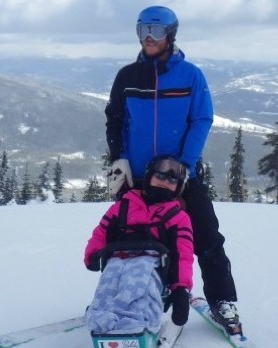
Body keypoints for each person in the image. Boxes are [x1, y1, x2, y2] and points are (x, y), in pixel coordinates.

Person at [104, 5, 242, 336]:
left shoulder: (190, 76)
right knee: (125, 239)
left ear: (171, 34)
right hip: (137, 177)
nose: (149, 37)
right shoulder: (127, 77)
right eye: (142, 31)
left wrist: (183, 165)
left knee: (206, 236)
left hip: (181, 178)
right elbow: (116, 120)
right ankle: (113, 299)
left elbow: (201, 119)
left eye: (156, 30)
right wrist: (119, 159)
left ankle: (222, 300)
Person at [84, 156, 194, 345]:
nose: (165, 182)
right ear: (149, 177)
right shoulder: (122, 207)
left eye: (172, 180)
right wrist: (93, 253)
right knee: (110, 275)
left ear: (178, 187)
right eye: (160, 176)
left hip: (152, 264)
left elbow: (183, 254)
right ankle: (102, 314)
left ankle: (135, 322)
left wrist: (181, 288)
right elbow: (101, 232)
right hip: (118, 258)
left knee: (138, 278)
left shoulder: (178, 217)